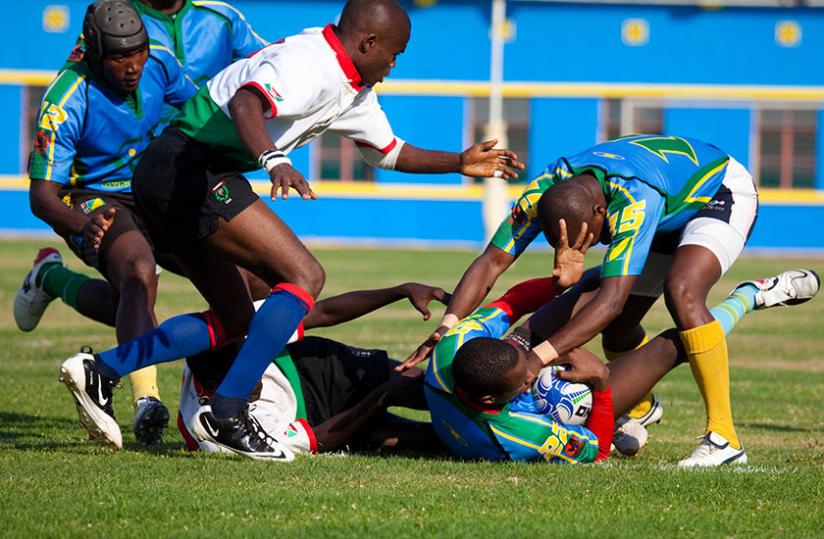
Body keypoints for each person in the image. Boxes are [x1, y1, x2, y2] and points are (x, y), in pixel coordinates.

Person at [57, 0, 525, 458]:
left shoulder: (352, 88)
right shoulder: (311, 63)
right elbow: (246, 102)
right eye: (394, 53)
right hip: (191, 165)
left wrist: (459, 163)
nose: (394, 64)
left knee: (238, 319)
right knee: (303, 276)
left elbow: (387, 150)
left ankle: (102, 369)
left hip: (178, 172)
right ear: (368, 42)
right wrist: (274, 160)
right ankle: (229, 410)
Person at [406, 134, 820, 466]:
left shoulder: (633, 202)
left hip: (717, 194)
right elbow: (492, 262)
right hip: (665, 204)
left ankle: (724, 437)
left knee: (683, 293)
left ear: (602, 213)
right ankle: (640, 407)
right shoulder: (545, 191)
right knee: (618, 329)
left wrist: (539, 358)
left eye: (591, 237)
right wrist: (449, 324)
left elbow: (611, 301)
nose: (589, 244)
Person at [18, 0, 268, 445]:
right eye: (119, 57)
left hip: (156, 186)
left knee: (249, 282)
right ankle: (145, 400)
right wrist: (79, 225)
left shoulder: (159, 62)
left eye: (137, 53)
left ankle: (51, 279)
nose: (133, 66)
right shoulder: (64, 99)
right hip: (95, 198)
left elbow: (200, 113)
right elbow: (42, 196)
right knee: (138, 271)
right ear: (95, 54)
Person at [427, 265, 818, 464]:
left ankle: (643, 410)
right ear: (497, 399)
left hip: (495, 375)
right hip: (569, 409)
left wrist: (563, 283)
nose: (532, 375)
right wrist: (599, 384)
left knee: (598, 284)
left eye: (526, 370)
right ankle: (750, 296)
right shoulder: (520, 436)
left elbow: (510, 303)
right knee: (675, 345)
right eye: (523, 382)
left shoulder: (451, 351)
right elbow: (595, 453)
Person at [179, 282, 449, 457]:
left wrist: (400, 291)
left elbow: (324, 313)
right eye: (247, 377)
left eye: (255, 364)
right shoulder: (227, 436)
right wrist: (381, 397)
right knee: (432, 439)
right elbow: (318, 440)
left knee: (427, 386)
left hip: (311, 367)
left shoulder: (236, 335)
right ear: (215, 390)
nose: (257, 372)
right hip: (320, 421)